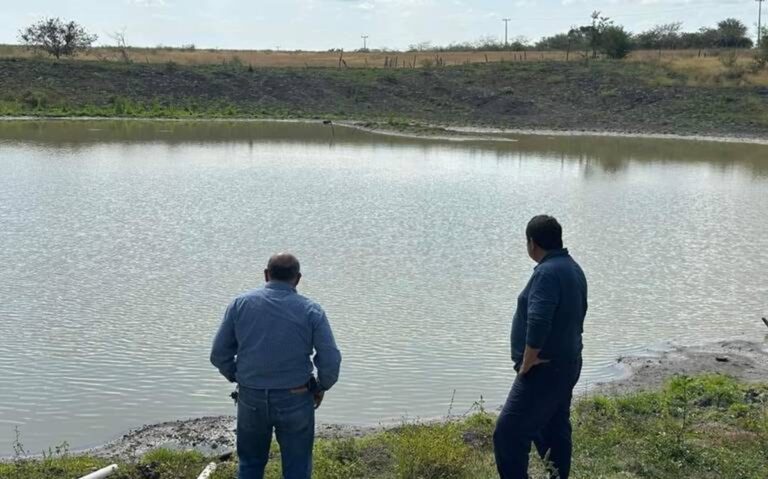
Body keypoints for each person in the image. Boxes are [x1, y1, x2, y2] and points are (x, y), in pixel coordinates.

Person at [210, 253, 342, 479]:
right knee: (297, 468)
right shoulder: (312, 311)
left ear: (266, 274)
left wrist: (239, 376)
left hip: (251, 397)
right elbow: (330, 359)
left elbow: (218, 354)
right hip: (296, 397)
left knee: (250, 464)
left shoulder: (240, 305)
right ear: (298, 279)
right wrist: (320, 386)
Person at [493, 215, 588, 479]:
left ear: (532, 243)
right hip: (567, 364)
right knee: (553, 427)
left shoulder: (547, 273)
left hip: (543, 370)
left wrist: (527, 361)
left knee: (508, 433)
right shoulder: (572, 268)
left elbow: (539, 319)